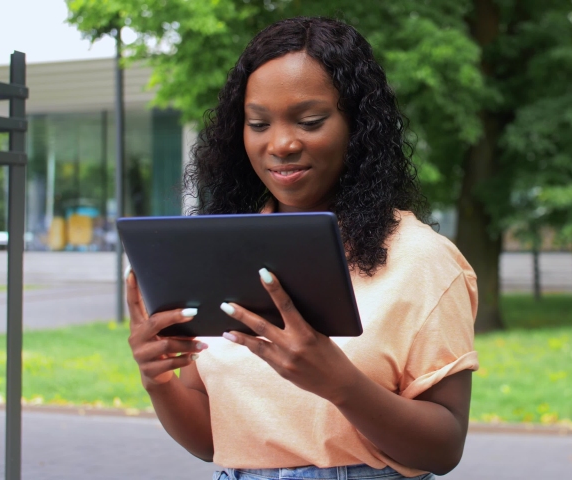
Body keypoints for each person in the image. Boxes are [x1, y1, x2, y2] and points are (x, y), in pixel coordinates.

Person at [125, 16, 478, 480]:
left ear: (359, 124)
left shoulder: (423, 258)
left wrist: (339, 384)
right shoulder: (222, 252)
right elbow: (214, 442)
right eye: (258, 123)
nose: (282, 144)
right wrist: (158, 381)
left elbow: (443, 447)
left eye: (309, 121)